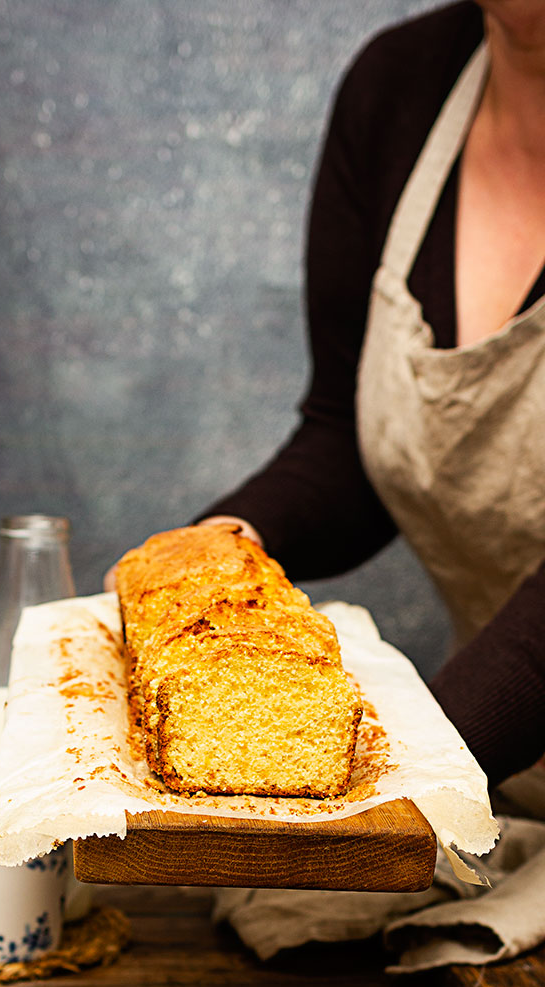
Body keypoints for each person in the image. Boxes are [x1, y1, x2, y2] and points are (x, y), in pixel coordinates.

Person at [190, 0, 545, 820]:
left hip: (467, 747)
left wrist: (401, 769)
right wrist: (226, 543)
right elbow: (353, 438)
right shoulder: (399, 90)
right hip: (500, 778)